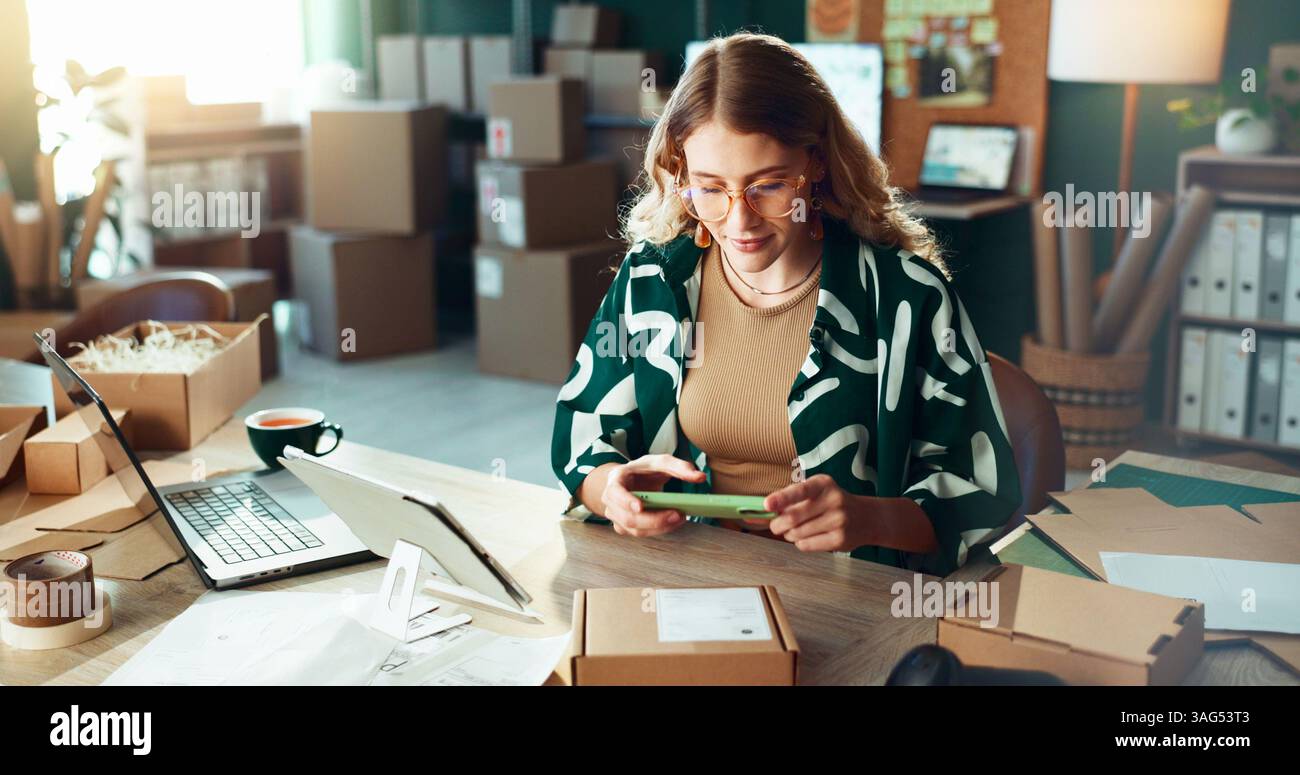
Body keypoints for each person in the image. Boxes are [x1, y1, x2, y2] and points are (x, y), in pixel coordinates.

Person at [551, 33, 1020, 575]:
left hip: (851, 590)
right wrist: (610, 490)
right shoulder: (653, 279)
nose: (738, 220)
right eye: (709, 188)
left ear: (817, 162)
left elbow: (984, 491)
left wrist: (870, 519)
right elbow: (582, 440)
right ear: (679, 173)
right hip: (687, 570)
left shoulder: (907, 298)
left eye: (768, 186)